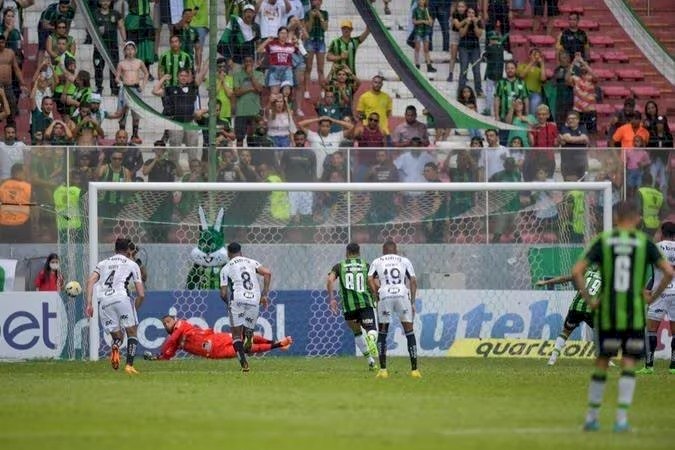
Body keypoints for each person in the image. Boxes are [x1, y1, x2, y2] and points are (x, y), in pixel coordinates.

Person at [571, 201, 674, 432]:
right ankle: (621, 420)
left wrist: (591, 301)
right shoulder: (644, 243)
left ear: (616, 218)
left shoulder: (603, 241)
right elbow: (668, 272)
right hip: (634, 314)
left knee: (602, 362)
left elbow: (576, 271)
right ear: (638, 218)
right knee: (628, 363)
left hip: (607, 313)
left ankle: (592, 418)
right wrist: (652, 296)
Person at [85, 238, 145, 375]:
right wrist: (133, 308)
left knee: (117, 337)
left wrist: (89, 303)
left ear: (115, 249)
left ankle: (116, 346)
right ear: (129, 250)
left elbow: (90, 281)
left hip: (104, 302)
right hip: (122, 298)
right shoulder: (132, 264)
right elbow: (141, 294)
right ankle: (129, 365)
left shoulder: (103, 263)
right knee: (132, 332)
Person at [368, 240, 420, 379]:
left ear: (383, 250)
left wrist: (376, 293)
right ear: (396, 250)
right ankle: (414, 370)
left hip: (385, 295)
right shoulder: (404, 261)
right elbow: (413, 280)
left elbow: (369, 279)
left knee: (383, 332)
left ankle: (383, 370)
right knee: (409, 331)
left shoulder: (377, 261)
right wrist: (412, 302)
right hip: (402, 295)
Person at [219, 242, 272, 372]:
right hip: (254, 299)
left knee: (236, 335)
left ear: (228, 254)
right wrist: (264, 295)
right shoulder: (251, 262)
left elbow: (224, 293)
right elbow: (268, 273)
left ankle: (244, 363)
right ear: (241, 252)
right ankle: (249, 335)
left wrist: (229, 304)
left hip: (237, 299)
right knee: (248, 330)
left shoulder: (226, 268)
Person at [326, 242, 379, 370]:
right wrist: (376, 294)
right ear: (359, 252)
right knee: (371, 329)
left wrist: (332, 299)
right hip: (365, 303)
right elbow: (374, 283)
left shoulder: (339, 266)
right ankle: (371, 339)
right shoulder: (366, 265)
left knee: (357, 332)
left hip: (349, 308)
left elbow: (329, 280)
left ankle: (370, 362)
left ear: (347, 253)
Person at [144, 315, 292, 360]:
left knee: (247, 338)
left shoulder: (181, 325)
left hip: (216, 339)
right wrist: (158, 358)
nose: (167, 325)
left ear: (174, 319)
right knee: (247, 349)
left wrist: (160, 352)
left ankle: (278, 343)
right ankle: (280, 345)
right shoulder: (177, 341)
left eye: (168, 321)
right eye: (164, 324)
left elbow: (170, 341)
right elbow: (169, 354)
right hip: (215, 353)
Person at [536, 264, 601, 365]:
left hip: (575, 307)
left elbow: (564, 278)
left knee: (566, 332)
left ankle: (552, 359)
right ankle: (604, 359)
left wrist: (545, 282)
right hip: (590, 309)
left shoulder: (586, 272)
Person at [637, 221, 675, 374]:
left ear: (661, 232)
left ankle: (649, 366)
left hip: (660, 291)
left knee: (651, 330)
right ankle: (673, 367)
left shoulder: (656, 247)